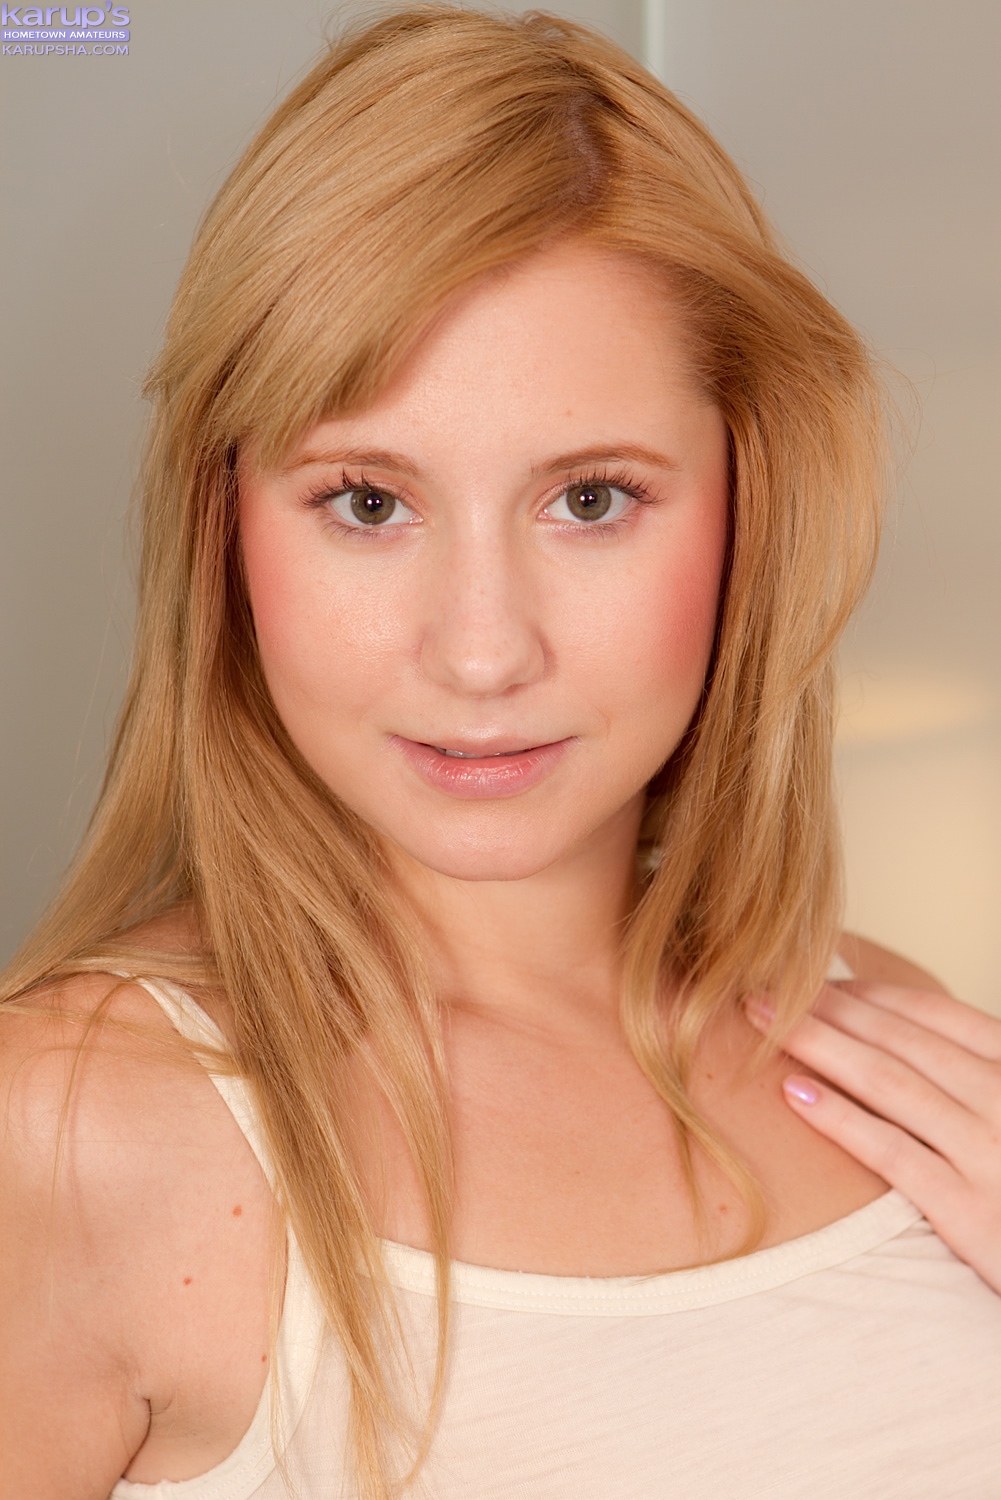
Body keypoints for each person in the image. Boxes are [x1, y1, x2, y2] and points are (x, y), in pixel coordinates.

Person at [1, 8, 999, 1498]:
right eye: (367, 502)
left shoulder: (884, 1028)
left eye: (591, 500)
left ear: (752, 505)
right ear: (225, 526)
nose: (481, 652)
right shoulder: (65, 1126)